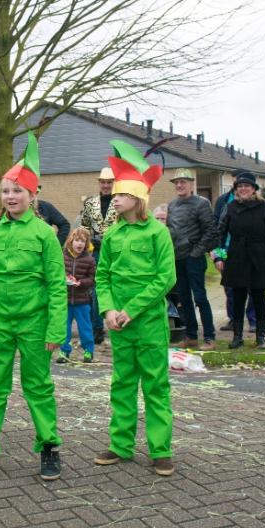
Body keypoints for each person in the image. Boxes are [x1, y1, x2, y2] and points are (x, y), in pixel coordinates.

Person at [0, 132, 67, 482]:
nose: (10, 196)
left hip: (36, 325)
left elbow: (56, 285)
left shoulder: (45, 235)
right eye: (5, 191)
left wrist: (56, 329)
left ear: (32, 195)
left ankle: (49, 446)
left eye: (17, 191)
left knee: (38, 386)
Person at [93, 140, 176, 476]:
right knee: (122, 382)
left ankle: (161, 449)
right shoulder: (112, 235)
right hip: (120, 326)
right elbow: (103, 276)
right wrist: (109, 310)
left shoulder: (158, 232)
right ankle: (120, 445)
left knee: (155, 384)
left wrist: (134, 309)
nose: (114, 197)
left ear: (139, 198)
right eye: (114, 193)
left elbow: (165, 278)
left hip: (150, 323)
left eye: (121, 194)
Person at [212, 172, 265, 349]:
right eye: (239, 186)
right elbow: (220, 233)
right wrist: (219, 256)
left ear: (253, 189)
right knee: (238, 296)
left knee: (258, 296)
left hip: (259, 254)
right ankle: (237, 337)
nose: (243, 189)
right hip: (236, 254)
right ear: (236, 189)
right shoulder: (230, 207)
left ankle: (261, 336)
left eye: (247, 186)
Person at [166, 168, 217, 350]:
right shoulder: (172, 205)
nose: (179, 185)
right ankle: (191, 336)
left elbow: (210, 231)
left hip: (193, 258)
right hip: (177, 258)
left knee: (200, 297)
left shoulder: (201, 203)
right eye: (177, 183)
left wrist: (197, 252)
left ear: (191, 184)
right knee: (184, 298)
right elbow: (170, 231)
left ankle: (209, 337)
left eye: (183, 182)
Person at [213, 169, 257, 332]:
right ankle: (233, 319)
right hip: (227, 251)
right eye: (237, 180)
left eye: (245, 183)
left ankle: (253, 319)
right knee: (230, 288)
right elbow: (216, 226)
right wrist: (217, 254)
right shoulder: (224, 200)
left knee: (253, 288)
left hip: (250, 252)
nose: (241, 185)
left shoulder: (259, 204)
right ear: (232, 181)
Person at [80, 167, 119, 345]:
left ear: (113, 183)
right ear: (99, 183)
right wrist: (88, 243)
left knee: (116, 286)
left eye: (109, 182)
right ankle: (97, 329)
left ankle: (118, 323)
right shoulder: (91, 203)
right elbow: (83, 226)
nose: (105, 186)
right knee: (95, 291)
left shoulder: (119, 201)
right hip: (96, 250)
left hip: (115, 249)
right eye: (103, 182)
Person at [57, 227, 96, 364]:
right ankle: (64, 351)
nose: (80, 244)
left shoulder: (89, 260)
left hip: (82, 300)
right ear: (71, 241)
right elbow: (56, 274)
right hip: (65, 300)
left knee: (85, 326)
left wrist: (81, 283)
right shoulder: (62, 257)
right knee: (64, 327)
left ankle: (88, 350)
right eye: (77, 240)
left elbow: (92, 278)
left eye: (83, 241)